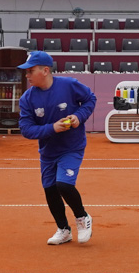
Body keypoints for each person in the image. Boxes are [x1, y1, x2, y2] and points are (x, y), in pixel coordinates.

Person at [16, 50, 96, 245]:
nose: (26, 76)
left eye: (30, 71)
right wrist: (52, 128)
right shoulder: (27, 98)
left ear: (45, 70)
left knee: (64, 184)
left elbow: (89, 100)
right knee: (50, 190)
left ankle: (82, 217)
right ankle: (63, 229)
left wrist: (79, 116)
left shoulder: (68, 85)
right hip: (48, 152)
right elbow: (26, 129)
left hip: (72, 147)